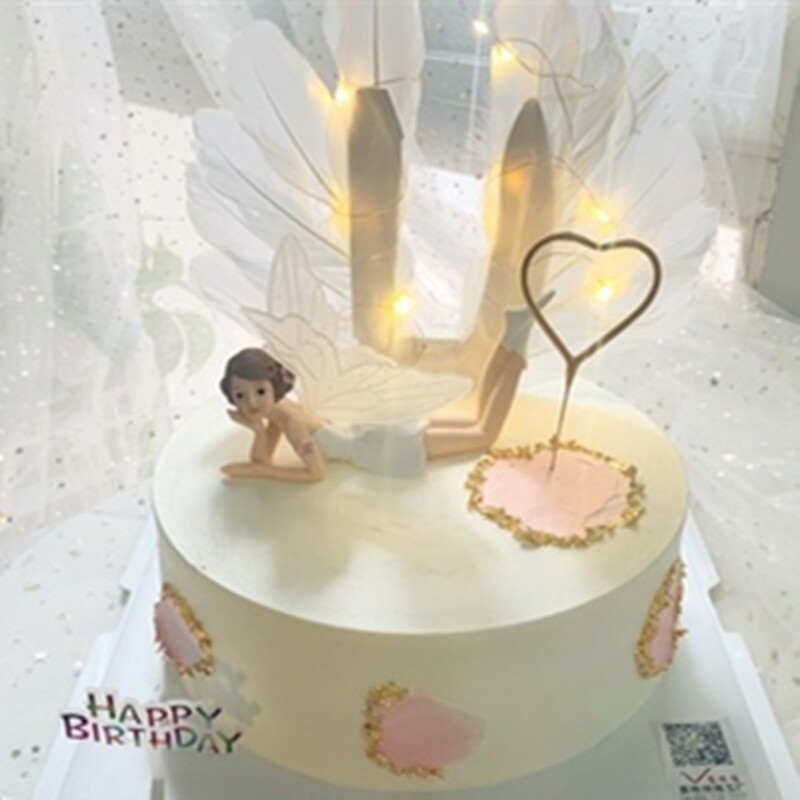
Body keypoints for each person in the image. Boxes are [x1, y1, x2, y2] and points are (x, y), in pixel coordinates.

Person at [220, 304, 543, 483]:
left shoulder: (291, 424)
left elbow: (315, 473)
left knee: (484, 433)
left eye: (258, 391)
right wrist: (257, 434)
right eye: (240, 395)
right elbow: (262, 454)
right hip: (376, 430)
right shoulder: (282, 410)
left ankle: (515, 354)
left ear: (273, 385)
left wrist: (263, 471)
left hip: (382, 447)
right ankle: (511, 337)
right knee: (476, 419)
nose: (251, 403)